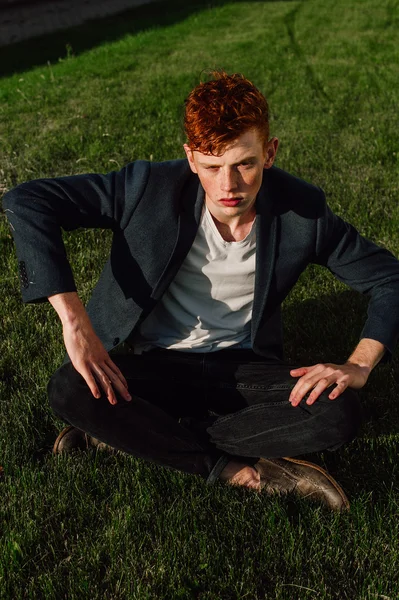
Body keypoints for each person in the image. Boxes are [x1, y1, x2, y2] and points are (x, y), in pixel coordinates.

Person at [4, 71, 399, 511]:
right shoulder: (145, 188)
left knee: (338, 412)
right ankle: (228, 466)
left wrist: (359, 363)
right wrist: (74, 322)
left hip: (242, 369)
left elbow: (389, 278)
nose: (229, 185)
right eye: (212, 167)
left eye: (244, 164)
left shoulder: (303, 212)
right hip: (151, 365)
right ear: (191, 158)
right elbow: (28, 201)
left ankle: (138, 435)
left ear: (270, 153)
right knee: (68, 388)